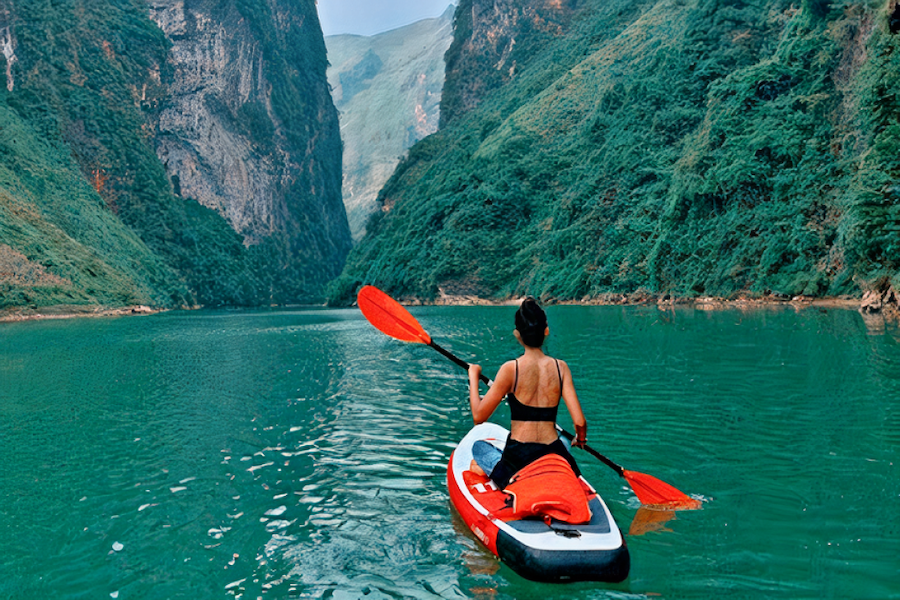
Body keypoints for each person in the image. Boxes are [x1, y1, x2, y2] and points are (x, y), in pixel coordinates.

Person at [468, 296, 588, 488]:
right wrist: (580, 439)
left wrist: (474, 376)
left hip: (519, 459)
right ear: (546, 331)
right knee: (565, 442)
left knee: (479, 448)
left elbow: (478, 416)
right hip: (552, 453)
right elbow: (580, 422)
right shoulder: (561, 368)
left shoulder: (510, 369)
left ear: (517, 334)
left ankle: (497, 472)